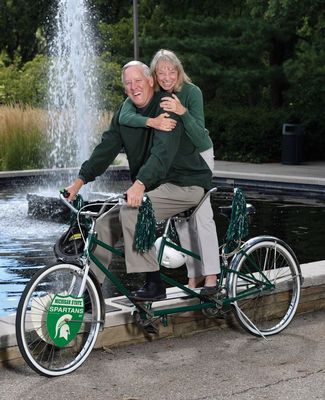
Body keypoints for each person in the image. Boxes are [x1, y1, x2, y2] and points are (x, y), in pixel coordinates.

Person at [66, 60, 212, 301]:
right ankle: (89, 293)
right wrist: (79, 181)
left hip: (185, 183)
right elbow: (105, 150)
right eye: (128, 83)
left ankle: (154, 284)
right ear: (125, 89)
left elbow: (162, 154)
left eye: (139, 81)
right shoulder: (125, 115)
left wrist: (140, 183)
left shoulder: (166, 106)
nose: (134, 87)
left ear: (151, 82)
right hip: (155, 185)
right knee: (103, 224)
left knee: (133, 211)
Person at [118, 49, 220, 295]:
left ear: (178, 71)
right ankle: (193, 276)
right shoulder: (159, 96)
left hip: (200, 154)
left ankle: (212, 278)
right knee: (182, 220)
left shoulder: (191, 92)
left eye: (170, 71)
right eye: (160, 72)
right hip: (178, 162)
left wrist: (181, 111)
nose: (165, 76)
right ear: (154, 75)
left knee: (202, 217)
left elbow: (198, 135)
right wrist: (151, 121)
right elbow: (125, 114)